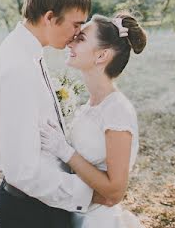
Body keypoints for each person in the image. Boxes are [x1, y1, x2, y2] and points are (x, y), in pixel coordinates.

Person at [0, 0, 114, 227]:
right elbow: (23, 171)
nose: (77, 35)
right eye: (76, 25)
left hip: (44, 202)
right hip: (32, 211)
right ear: (50, 18)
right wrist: (89, 193)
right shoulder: (18, 68)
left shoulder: (27, 52)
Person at [39, 13, 147, 228]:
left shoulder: (117, 111)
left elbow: (115, 191)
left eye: (80, 39)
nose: (71, 41)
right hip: (76, 213)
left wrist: (65, 151)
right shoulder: (91, 104)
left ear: (101, 56)